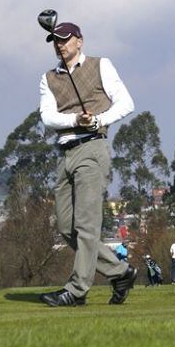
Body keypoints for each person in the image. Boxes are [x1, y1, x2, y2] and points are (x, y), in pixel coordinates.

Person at [37, 21, 136, 307]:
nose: (60, 45)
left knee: (87, 226)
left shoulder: (101, 65)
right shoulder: (48, 78)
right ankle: (120, 272)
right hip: (65, 153)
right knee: (67, 227)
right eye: (55, 41)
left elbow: (126, 103)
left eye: (65, 40)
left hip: (92, 148)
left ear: (79, 41)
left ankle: (77, 290)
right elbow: (48, 116)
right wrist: (74, 120)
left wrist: (97, 120)